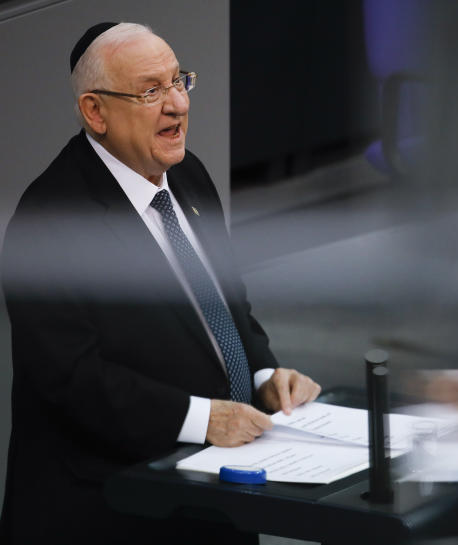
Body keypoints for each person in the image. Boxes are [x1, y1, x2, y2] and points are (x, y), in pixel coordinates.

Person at [0, 22, 322, 544]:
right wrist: (201, 419)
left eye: (179, 81)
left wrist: (264, 373)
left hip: (215, 493)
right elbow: (72, 380)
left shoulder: (188, 174)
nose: (177, 105)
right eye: (151, 91)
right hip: (112, 511)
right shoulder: (52, 221)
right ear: (95, 111)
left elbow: (226, 302)